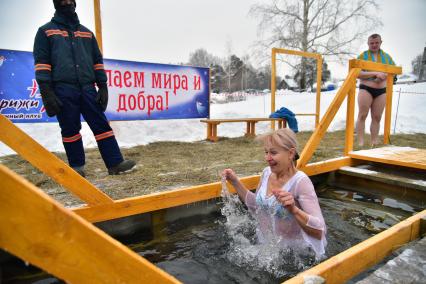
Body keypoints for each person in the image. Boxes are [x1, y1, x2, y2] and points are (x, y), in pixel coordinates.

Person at [33, 0, 135, 176]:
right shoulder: (45, 32)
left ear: (75, 3)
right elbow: (42, 65)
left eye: (70, 0)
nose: (67, 3)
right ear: (56, 4)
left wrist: (102, 86)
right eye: (62, 0)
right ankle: (77, 168)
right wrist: (47, 92)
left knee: (102, 125)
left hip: (88, 88)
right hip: (63, 89)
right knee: (70, 129)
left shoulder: (87, 34)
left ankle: (115, 163)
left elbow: (97, 62)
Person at [222, 128, 327, 258]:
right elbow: (257, 206)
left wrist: (294, 210)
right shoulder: (266, 173)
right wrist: (235, 182)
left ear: (290, 153)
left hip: (296, 255)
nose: (267, 158)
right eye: (266, 152)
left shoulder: (301, 182)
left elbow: (320, 231)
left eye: (273, 153)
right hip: (267, 249)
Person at [356, 34, 396, 147]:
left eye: (376, 43)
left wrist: (384, 76)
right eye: (371, 43)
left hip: (382, 90)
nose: (374, 45)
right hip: (366, 89)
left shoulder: (387, 57)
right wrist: (374, 73)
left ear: (380, 43)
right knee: (362, 115)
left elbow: (393, 72)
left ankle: (374, 141)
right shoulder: (362, 56)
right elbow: (357, 73)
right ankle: (360, 142)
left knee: (377, 117)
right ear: (368, 43)